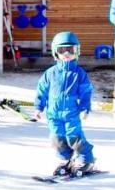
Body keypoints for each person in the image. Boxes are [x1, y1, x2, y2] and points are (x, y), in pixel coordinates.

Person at [33, 31, 97, 178]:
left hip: (71, 113)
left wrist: (85, 108)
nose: (67, 53)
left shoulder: (79, 74)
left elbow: (86, 92)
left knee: (74, 138)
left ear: (77, 51)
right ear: (56, 53)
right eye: (62, 50)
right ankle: (65, 160)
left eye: (71, 50)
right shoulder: (50, 74)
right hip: (53, 114)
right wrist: (38, 107)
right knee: (57, 138)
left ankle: (85, 160)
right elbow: (41, 90)